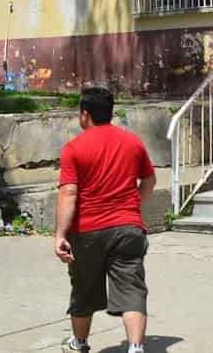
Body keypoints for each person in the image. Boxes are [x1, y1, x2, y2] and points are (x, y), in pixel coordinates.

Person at [54, 86, 156, 353]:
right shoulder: (133, 142)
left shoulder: (74, 149)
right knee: (132, 287)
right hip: (128, 228)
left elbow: (68, 192)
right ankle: (136, 347)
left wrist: (60, 235)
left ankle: (79, 343)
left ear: (84, 114)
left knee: (84, 289)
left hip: (87, 231)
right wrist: (132, 207)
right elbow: (149, 180)